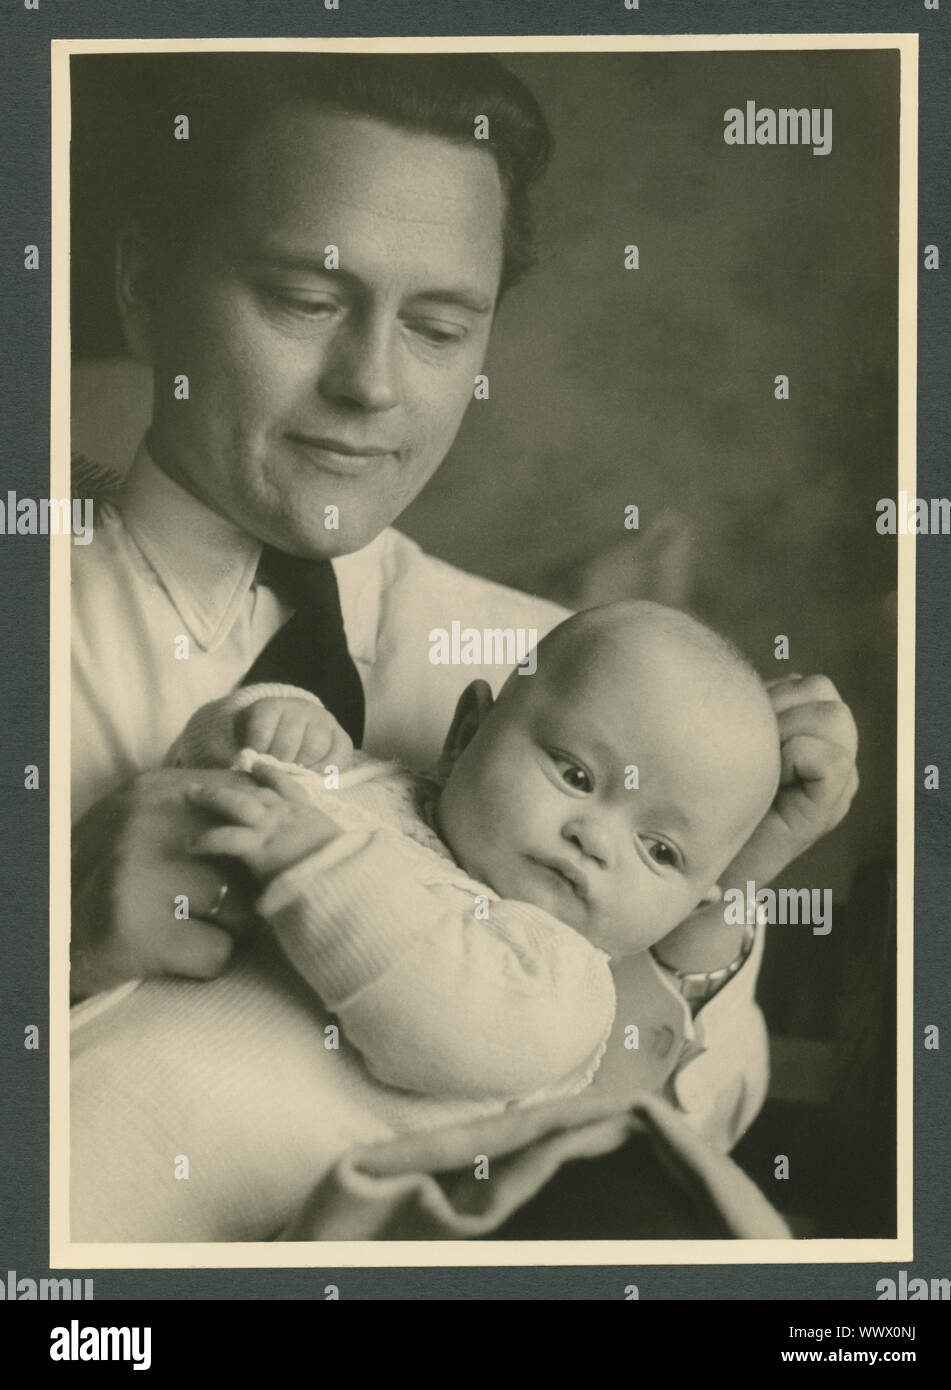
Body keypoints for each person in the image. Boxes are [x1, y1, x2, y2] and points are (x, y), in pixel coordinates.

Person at [70, 54, 858, 1170]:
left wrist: (727, 884)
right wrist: (48, 937)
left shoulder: (574, 682)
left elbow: (698, 1118)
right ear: (146, 286)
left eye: (438, 327)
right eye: (306, 299)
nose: (373, 385)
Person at [71, 601, 782, 1241]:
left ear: (692, 906)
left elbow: (444, 1020)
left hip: (184, 1218)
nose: (595, 839)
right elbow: (205, 782)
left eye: (659, 850)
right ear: (466, 732)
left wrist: (319, 862)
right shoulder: (371, 787)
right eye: (575, 775)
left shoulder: (561, 985)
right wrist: (263, 718)